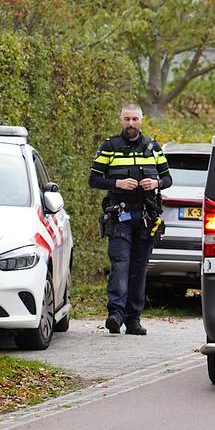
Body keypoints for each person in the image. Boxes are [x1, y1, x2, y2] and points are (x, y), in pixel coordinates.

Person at [88, 103, 171, 335]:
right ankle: (115, 315)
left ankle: (134, 320)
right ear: (120, 120)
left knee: (138, 269)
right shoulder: (109, 147)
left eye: (135, 119)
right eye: (127, 119)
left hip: (145, 217)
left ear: (141, 120)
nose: (131, 124)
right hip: (119, 216)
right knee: (120, 265)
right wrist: (117, 183)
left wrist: (156, 183)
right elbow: (94, 179)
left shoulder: (153, 147)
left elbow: (168, 178)